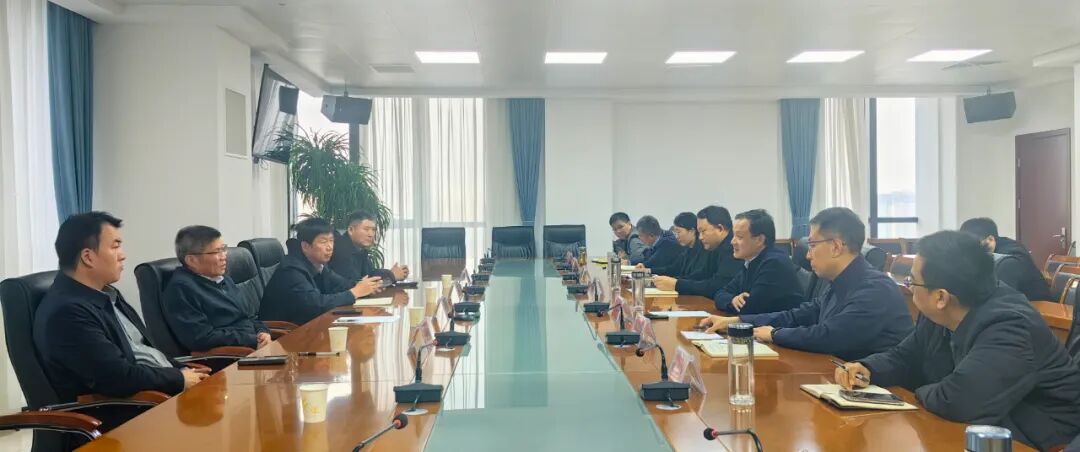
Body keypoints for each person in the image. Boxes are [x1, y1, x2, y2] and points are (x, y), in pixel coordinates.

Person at [835, 231, 1080, 451]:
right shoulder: (943, 311)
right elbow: (905, 356)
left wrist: (913, 393)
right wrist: (867, 368)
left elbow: (957, 401)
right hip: (981, 428)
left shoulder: (1010, 326)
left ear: (941, 297)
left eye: (912, 282)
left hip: (1037, 439)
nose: (909, 288)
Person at [34, 212, 208, 403]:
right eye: (115, 246)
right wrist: (179, 379)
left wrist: (182, 370)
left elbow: (145, 349)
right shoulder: (68, 313)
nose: (123, 255)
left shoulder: (106, 294)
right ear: (88, 257)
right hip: (131, 408)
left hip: (163, 389)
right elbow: (118, 378)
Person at [699, 208, 912, 360]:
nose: (808, 255)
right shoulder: (839, 283)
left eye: (812, 245)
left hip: (883, 392)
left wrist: (774, 334)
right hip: (841, 375)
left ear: (836, 247)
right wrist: (739, 321)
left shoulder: (874, 289)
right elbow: (798, 315)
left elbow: (829, 336)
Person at [162, 226, 271, 352]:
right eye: (216, 252)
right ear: (192, 260)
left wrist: (262, 331)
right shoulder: (181, 289)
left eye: (223, 249)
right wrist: (252, 340)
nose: (224, 256)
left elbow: (247, 316)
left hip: (255, 346)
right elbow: (201, 338)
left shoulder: (222, 278)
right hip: (233, 356)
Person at [261, 217, 383, 325]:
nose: (330, 247)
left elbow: (340, 284)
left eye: (331, 240)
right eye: (323, 241)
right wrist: (354, 292)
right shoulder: (291, 270)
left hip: (310, 326)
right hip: (286, 333)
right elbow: (316, 304)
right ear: (305, 246)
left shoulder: (317, 264)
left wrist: (364, 287)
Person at [712, 209, 802, 314]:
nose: (732, 242)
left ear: (760, 240)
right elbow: (720, 293)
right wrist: (732, 300)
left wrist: (732, 302)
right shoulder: (751, 261)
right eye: (733, 236)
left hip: (780, 324)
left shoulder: (774, 264)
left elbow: (749, 308)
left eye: (739, 237)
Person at [652, 206, 744, 296]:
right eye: (699, 232)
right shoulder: (713, 246)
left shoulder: (732, 248)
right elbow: (701, 275)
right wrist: (673, 282)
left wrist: (677, 284)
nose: (700, 237)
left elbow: (717, 285)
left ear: (720, 229)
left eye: (703, 231)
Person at [959, 217, 1052, 302]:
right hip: (1015, 303)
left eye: (973, 246)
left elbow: (1000, 297)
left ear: (990, 240)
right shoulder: (992, 251)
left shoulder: (1010, 258)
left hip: (1037, 306)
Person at [329, 210, 408, 284]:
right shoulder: (341, 250)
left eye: (373, 230)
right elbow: (354, 286)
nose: (371, 234)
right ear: (351, 230)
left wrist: (390, 273)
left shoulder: (359, 249)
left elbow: (370, 274)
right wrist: (392, 276)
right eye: (366, 229)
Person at [647, 212, 706, 278]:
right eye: (675, 233)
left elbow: (694, 278)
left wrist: (673, 281)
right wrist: (648, 271)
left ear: (692, 231)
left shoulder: (703, 251)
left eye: (678, 232)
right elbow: (672, 269)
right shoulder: (687, 250)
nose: (676, 236)